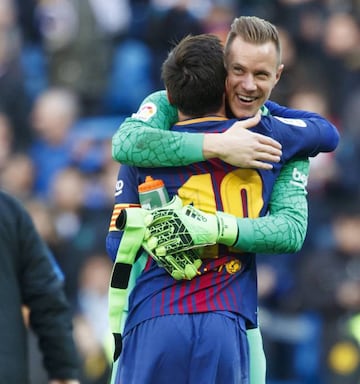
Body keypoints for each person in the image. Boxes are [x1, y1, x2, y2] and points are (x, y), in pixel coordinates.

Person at [107, 16, 339, 384]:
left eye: (260, 75)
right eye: (239, 71)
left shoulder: (147, 145)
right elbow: (325, 133)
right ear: (222, 74)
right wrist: (219, 143)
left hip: (156, 315)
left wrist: (193, 229)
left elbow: (117, 243)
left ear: (278, 75)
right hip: (227, 323)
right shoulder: (277, 141)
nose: (248, 85)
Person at [0, 189, 80, 384]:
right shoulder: (9, 211)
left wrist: (64, 367)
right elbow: (46, 295)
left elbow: (46, 293)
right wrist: (64, 369)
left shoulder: (10, 211)